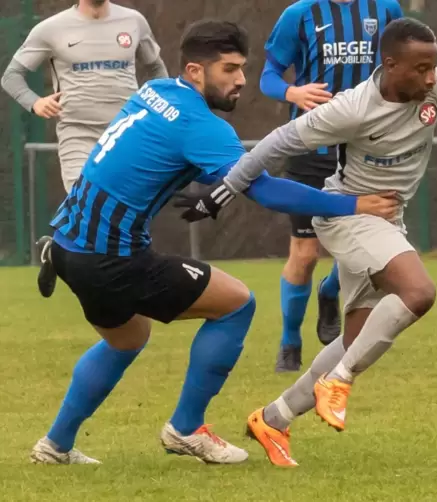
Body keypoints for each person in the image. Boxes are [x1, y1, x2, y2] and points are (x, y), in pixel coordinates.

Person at [176, 16, 437, 467]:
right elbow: (276, 143)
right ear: (390, 65)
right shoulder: (351, 109)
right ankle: (339, 381)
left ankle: (274, 418)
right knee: (419, 292)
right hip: (349, 215)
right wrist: (225, 191)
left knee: (355, 338)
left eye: (434, 67)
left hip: (388, 219)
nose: (431, 79)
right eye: (420, 69)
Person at [28, 19, 397, 466]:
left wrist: (208, 187)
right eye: (229, 69)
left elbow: (157, 159)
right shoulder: (201, 125)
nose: (241, 79)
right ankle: (186, 429)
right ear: (195, 70)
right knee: (236, 303)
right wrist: (351, 204)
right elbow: (262, 188)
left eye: (242, 68)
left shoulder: (155, 91)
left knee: (127, 339)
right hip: (112, 257)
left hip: (70, 245)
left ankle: (55, 446)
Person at [261, 0, 403, 372]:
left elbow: (401, 63)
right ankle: (290, 342)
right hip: (312, 149)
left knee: (363, 245)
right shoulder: (299, 14)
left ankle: (330, 291)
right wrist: (293, 93)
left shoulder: (385, 9)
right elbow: (268, 76)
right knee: (305, 255)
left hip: (365, 149)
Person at [1, 0, 168, 299]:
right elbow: (12, 75)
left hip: (127, 133)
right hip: (78, 133)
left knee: (126, 208)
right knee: (88, 204)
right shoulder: (51, 28)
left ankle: (60, 251)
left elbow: (155, 67)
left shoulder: (133, 21)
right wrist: (35, 102)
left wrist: (160, 104)